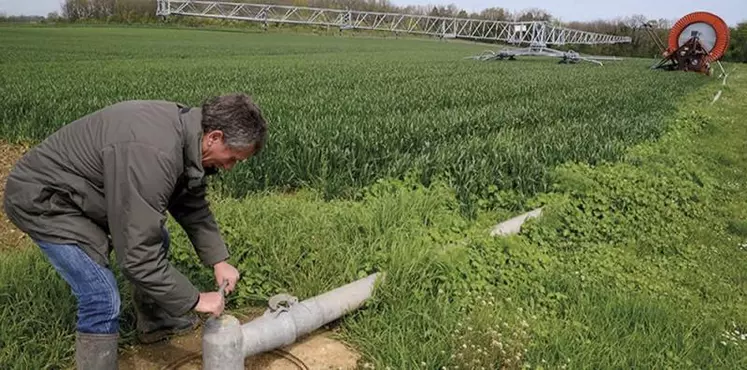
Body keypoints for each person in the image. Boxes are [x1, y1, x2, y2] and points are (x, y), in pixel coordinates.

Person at [2, 93, 267, 369]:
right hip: (45, 201)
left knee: (156, 237)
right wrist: (195, 299)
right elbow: (137, 257)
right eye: (233, 157)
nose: (230, 166)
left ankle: (157, 323)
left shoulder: (187, 135)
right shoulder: (154, 152)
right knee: (101, 296)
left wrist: (218, 260)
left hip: (83, 194)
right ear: (215, 136)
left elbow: (190, 204)